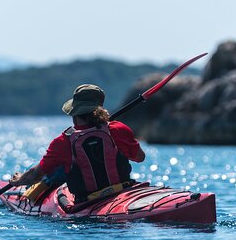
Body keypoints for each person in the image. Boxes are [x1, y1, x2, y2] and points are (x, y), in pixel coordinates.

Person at [10, 84, 145, 204]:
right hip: (122, 191)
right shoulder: (118, 129)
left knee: (59, 171)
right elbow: (140, 157)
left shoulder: (62, 142)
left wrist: (19, 180)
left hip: (88, 201)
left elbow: (35, 175)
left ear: (74, 113)